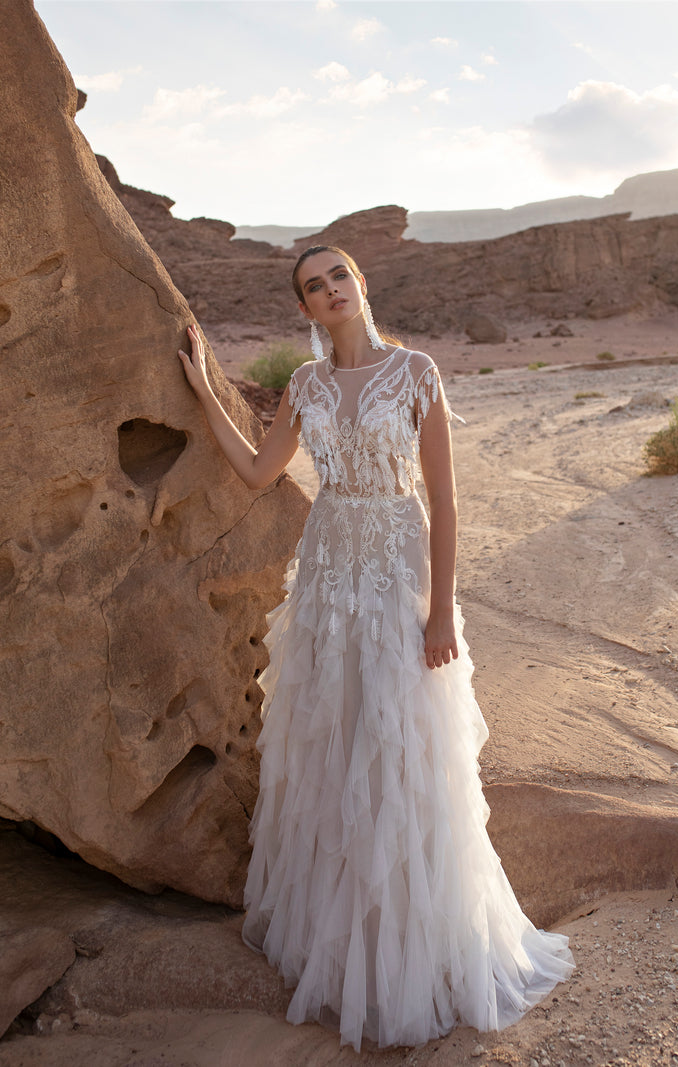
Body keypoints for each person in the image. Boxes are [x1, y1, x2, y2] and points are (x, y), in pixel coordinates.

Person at [177, 245, 574, 1051]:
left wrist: (440, 614)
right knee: (335, 736)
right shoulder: (307, 385)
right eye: (313, 287)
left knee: (402, 742)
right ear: (305, 309)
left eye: (338, 277)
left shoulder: (418, 371)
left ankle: (414, 944)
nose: (329, 292)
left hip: (397, 567)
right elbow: (259, 469)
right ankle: (342, 935)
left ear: (361, 284)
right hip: (327, 573)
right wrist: (201, 388)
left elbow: (446, 501)